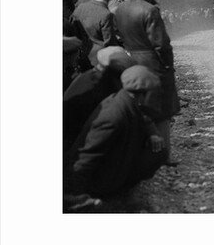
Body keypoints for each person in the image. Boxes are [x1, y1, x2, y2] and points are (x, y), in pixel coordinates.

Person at [65, 66, 166, 204]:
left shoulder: (123, 99)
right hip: (99, 180)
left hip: (113, 162)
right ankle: (114, 192)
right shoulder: (113, 116)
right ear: (142, 93)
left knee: (157, 151)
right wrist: (75, 194)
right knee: (156, 154)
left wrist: (153, 134)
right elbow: (86, 156)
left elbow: (142, 116)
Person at [113, 0, 178, 163]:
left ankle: (139, 150)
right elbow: (161, 44)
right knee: (162, 109)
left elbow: (117, 36)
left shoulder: (121, 9)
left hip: (129, 59)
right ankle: (163, 154)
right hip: (151, 62)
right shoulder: (150, 10)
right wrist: (167, 66)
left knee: (136, 104)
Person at [70, 0, 118, 67]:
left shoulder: (81, 7)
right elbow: (109, 42)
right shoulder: (106, 14)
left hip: (80, 57)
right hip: (98, 60)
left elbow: (72, 29)